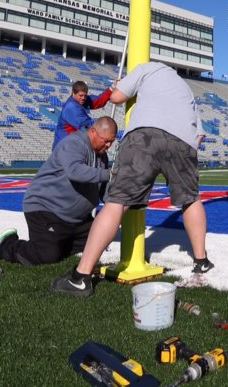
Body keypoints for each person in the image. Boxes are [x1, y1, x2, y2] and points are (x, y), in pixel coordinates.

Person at [52, 61, 209, 297]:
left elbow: (117, 97)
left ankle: (82, 277)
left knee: (117, 202)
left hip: (144, 134)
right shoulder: (185, 90)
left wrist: (118, 87)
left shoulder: (148, 69)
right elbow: (200, 135)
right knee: (190, 199)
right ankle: (201, 259)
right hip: (183, 142)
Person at [0, 117, 117, 265]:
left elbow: (103, 188)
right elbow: (75, 171)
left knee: (102, 235)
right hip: (47, 209)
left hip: (75, 219)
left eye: (112, 141)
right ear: (93, 132)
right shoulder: (74, 143)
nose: (109, 145)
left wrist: (118, 201)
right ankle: (7, 245)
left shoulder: (102, 156)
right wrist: (110, 174)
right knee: (47, 254)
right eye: (106, 140)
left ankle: (59, 243)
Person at [53, 80, 114, 150]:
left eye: (85, 95)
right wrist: (103, 125)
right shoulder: (71, 107)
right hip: (64, 147)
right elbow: (85, 125)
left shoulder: (81, 100)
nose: (83, 98)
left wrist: (112, 88)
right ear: (73, 93)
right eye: (81, 95)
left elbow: (98, 100)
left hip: (73, 145)